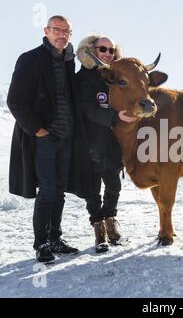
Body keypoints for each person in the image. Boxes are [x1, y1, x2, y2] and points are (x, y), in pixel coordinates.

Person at [7, 15, 92, 263]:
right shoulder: (31, 59)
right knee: (47, 191)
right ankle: (41, 243)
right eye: (57, 30)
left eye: (67, 31)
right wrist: (38, 130)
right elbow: (15, 101)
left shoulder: (67, 61)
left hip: (65, 138)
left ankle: (55, 239)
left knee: (59, 191)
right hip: (44, 138)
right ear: (46, 31)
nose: (62, 35)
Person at [76, 35, 136, 253]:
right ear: (92, 50)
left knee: (114, 185)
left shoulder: (115, 76)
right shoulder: (83, 77)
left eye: (111, 50)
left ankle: (111, 223)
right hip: (89, 141)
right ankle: (98, 230)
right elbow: (89, 110)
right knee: (93, 190)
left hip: (112, 141)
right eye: (103, 49)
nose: (107, 54)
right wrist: (116, 117)